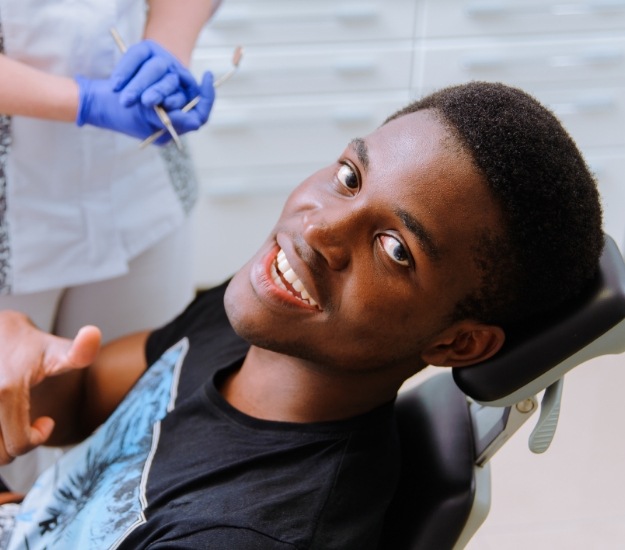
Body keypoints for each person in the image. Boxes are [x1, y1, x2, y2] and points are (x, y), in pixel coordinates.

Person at [0, 82, 604, 549]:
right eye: (349, 177)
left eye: (395, 250)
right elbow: (80, 398)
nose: (316, 228)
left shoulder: (246, 534)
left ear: (460, 344)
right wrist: (23, 366)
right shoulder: (265, 320)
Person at [0, 0, 223, 492]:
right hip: (10, 218)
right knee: (13, 437)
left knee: (144, 410)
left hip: (140, 192)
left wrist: (162, 55)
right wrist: (82, 101)